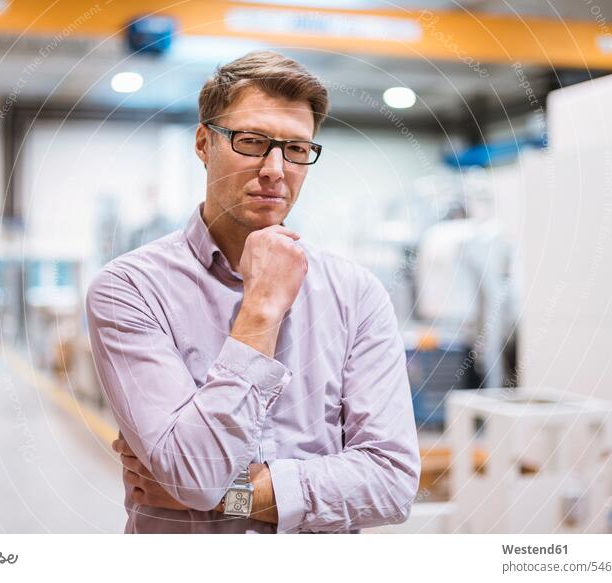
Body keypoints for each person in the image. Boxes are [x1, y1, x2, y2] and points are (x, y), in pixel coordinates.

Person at [86, 51, 420, 534]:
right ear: (204, 143)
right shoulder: (131, 290)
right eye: (251, 142)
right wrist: (260, 311)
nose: (275, 169)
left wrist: (227, 499)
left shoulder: (356, 294)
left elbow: (390, 484)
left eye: (297, 149)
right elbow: (195, 474)